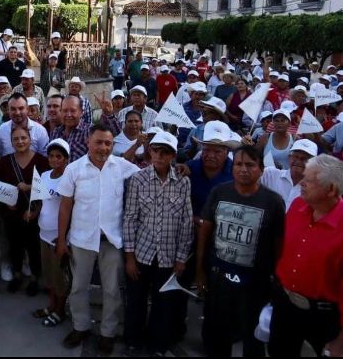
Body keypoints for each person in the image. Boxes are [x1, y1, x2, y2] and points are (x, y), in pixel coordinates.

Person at [56, 124, 140, 354]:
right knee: (78, 287)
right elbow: (65, 207)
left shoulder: (122, 166)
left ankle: (107, 333)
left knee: (112, 290)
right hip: (81, 240)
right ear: (88, 143)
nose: (103, 147)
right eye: (99, 142)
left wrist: (181, 167)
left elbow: (147, 174)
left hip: (111, 241)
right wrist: (61, 241)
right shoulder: (74, 169)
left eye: (108, 143)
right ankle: (80, 327)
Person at [196, 145, 285, 357]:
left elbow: (278, 244)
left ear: (261, 169)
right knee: (218, 337)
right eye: (238, 164)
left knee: (252, 339)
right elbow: (205, 234)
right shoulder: (219, 192)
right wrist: (200, 271)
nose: (243, 169)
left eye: (250, 165)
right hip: (219, 280)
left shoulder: (273, 201)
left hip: (255, 284)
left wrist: (276, 279)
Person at [123, 131, 193, 355]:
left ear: (173, 156)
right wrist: (130, 257)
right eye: (155, 151)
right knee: (136, 301)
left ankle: (157, 344)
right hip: (142, 253)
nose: (159, 157)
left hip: (168, 255)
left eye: (165, 153)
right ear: (150, 151)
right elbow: (130, 218)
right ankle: (133, 340)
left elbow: (186, 221)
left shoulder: (183, 182)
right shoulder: (138, 179)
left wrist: (181, 257)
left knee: (163, 303)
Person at [268, 154, 343, 357]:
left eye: (309, 180)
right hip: (284, 304)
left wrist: (341, 340)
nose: (301, 182)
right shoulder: (296, 206)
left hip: (322, 317)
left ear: (331, 190)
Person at [0, 126, 50, 294]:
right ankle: (17, 275)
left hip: (34, 212)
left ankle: (34, 278)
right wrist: (5, 203)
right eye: (16, 139)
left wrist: (36, 210)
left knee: (34, 247)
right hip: (12, 212)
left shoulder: (41, 161)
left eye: (23, 138)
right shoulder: (5, 161)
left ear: (30, 139)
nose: (20, 142)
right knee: (14, 245)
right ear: (11, 142)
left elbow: (46, 188)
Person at [34, 139, 70, 328]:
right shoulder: (45, 175)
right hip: (43, 234)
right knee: (49, 275)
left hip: (58, 237)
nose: (54, 160)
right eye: (51, 156)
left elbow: (71, 209)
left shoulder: (69, 179)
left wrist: (64, 238)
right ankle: (51, 305)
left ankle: (60, 310)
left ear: (66, 159)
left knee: (59, 278)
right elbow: (41, 202)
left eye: (59, 157)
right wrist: (33, 213)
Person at [260, 139, 317, 210]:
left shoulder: (315, 188)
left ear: (313, 163)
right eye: (295, 157)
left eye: (304, 159)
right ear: (289, 157)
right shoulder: (269, 174)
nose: (298, 161)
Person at [0, 93, 50, 157]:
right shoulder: (2, 129)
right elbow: (0, 155)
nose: (17, 112)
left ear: (27, 109)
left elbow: (44, 157)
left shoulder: (40, 131)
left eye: (21, 108)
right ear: (8, 110)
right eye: (13, 109)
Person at [50, 95, 90, 162]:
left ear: (81, 112)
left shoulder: (89, 131)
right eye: (65, 111)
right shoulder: (56, 133)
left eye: (73, 111)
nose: (68, 115)